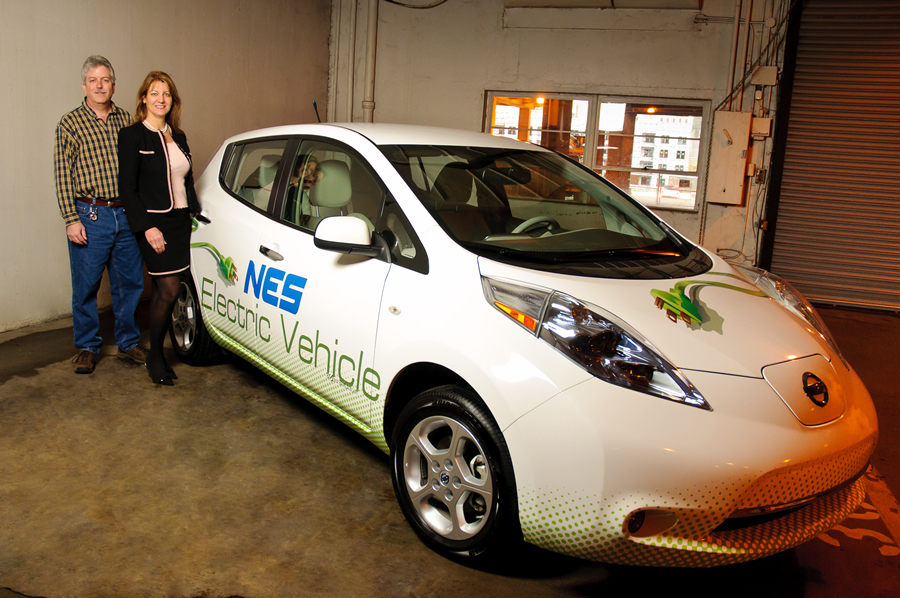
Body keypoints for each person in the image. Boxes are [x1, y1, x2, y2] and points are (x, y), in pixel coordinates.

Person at [55, 56, 148, 375]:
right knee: (86, 285)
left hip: (125, 213)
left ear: (113, 85)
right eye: (93, 80)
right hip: (89, 214)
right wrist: (71, 219)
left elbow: (142, 167)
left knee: (130, 282)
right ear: (84, 85)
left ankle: (128, 342)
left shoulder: (127, 120)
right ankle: (86, 346)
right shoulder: (70, 123)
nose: (99, 85)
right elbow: (62, 174)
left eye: (105, 79)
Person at [118, 71, 199, 385]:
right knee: (166, 290)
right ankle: (155, 357)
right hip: (154, 222)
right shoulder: (132, 135)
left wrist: (196, 210)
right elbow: (128, 189)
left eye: (166, 94)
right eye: (154, 93)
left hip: (180, 221)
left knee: (174, 288)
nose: (160, 99)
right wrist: (147, 227)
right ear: (143, 98)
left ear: (172, 101)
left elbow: (185, 180)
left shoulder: (178, 135)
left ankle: (155, 355)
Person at [284, 154, 321, 226]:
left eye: (312, 170)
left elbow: (304, 221)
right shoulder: (280, 182)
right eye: (307, 165)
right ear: (299, 163)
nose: (307, 170)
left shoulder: (300, 194)